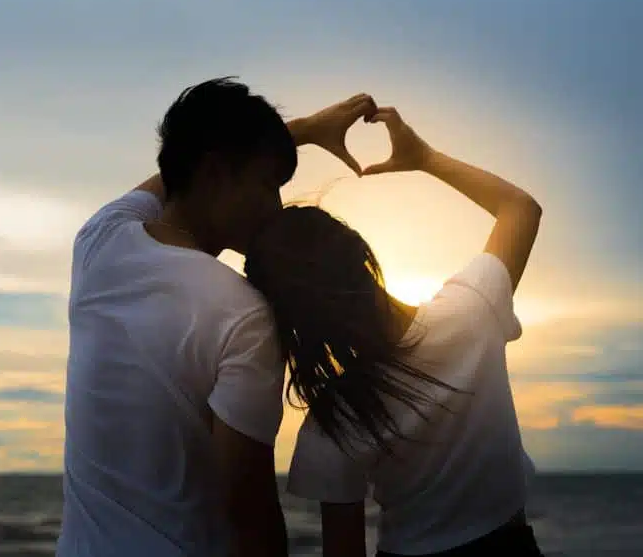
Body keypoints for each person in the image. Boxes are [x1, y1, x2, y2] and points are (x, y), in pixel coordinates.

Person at [56, 77, 377, 557]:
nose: (276, 207)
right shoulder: (243, 312)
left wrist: (304, 130)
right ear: (215, 173)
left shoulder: (98, 243)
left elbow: (179, 167)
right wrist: (301, 132)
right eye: (269, 184)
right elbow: (249, 515)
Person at [243, 106, 544, 557]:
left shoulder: (334, 421)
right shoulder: (471, 312)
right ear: (361, 253)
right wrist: (423, 157)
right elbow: (521, 208)